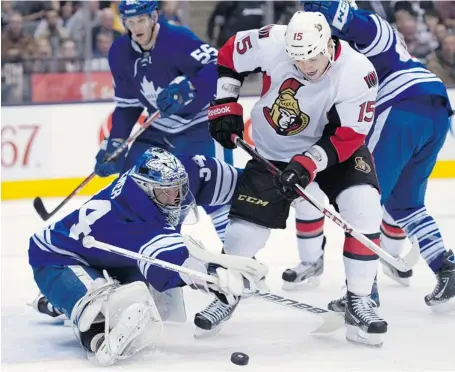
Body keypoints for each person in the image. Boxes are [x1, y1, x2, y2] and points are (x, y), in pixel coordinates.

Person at [201, 10, 388, 347]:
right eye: (298, 60)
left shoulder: (359, 72)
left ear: (329, 44)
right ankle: (225, 295)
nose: (307, 66)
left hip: (336, 151)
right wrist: (226, 104)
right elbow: (230, 53)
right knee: (243, 234)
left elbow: (347, 135)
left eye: (314, 57)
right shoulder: (274, 40)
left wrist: (307, 164)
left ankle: (360, 298)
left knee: (364, 207)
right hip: (274, 149)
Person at [29, 147, 262, 366]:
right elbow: (170, 261)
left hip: (105, 257)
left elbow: (225, 179)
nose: (176, 199)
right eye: (166, 193)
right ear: (146, 188)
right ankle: (96, 336)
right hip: (57, 258)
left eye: (179, 189)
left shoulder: (162, 181)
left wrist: (266, 184)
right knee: (99, 305)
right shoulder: (131, 213)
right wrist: (210, 277)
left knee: (147, 297)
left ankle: (56, 300)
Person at [301, 0, 455, 313]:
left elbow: (358, 23)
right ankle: (446, 267)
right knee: (405, 203)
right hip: (433, 111)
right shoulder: (336, 54)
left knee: (362, 202)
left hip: (401, 108)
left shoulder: (369, 28)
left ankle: (363, 293)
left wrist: (327, 10)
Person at [94, 0, 232, 243]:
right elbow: (127, 106)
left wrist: (190, 88)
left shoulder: (177, 38)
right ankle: (142, 256)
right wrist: (115, 143)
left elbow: (219, 66)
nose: (136, 27)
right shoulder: (119, 52)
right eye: (130, 21)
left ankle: (241, 259)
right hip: (162, 126)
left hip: (200, 122)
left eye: (141, 20)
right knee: (130, 187)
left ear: (154, 16)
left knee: (215, 193)